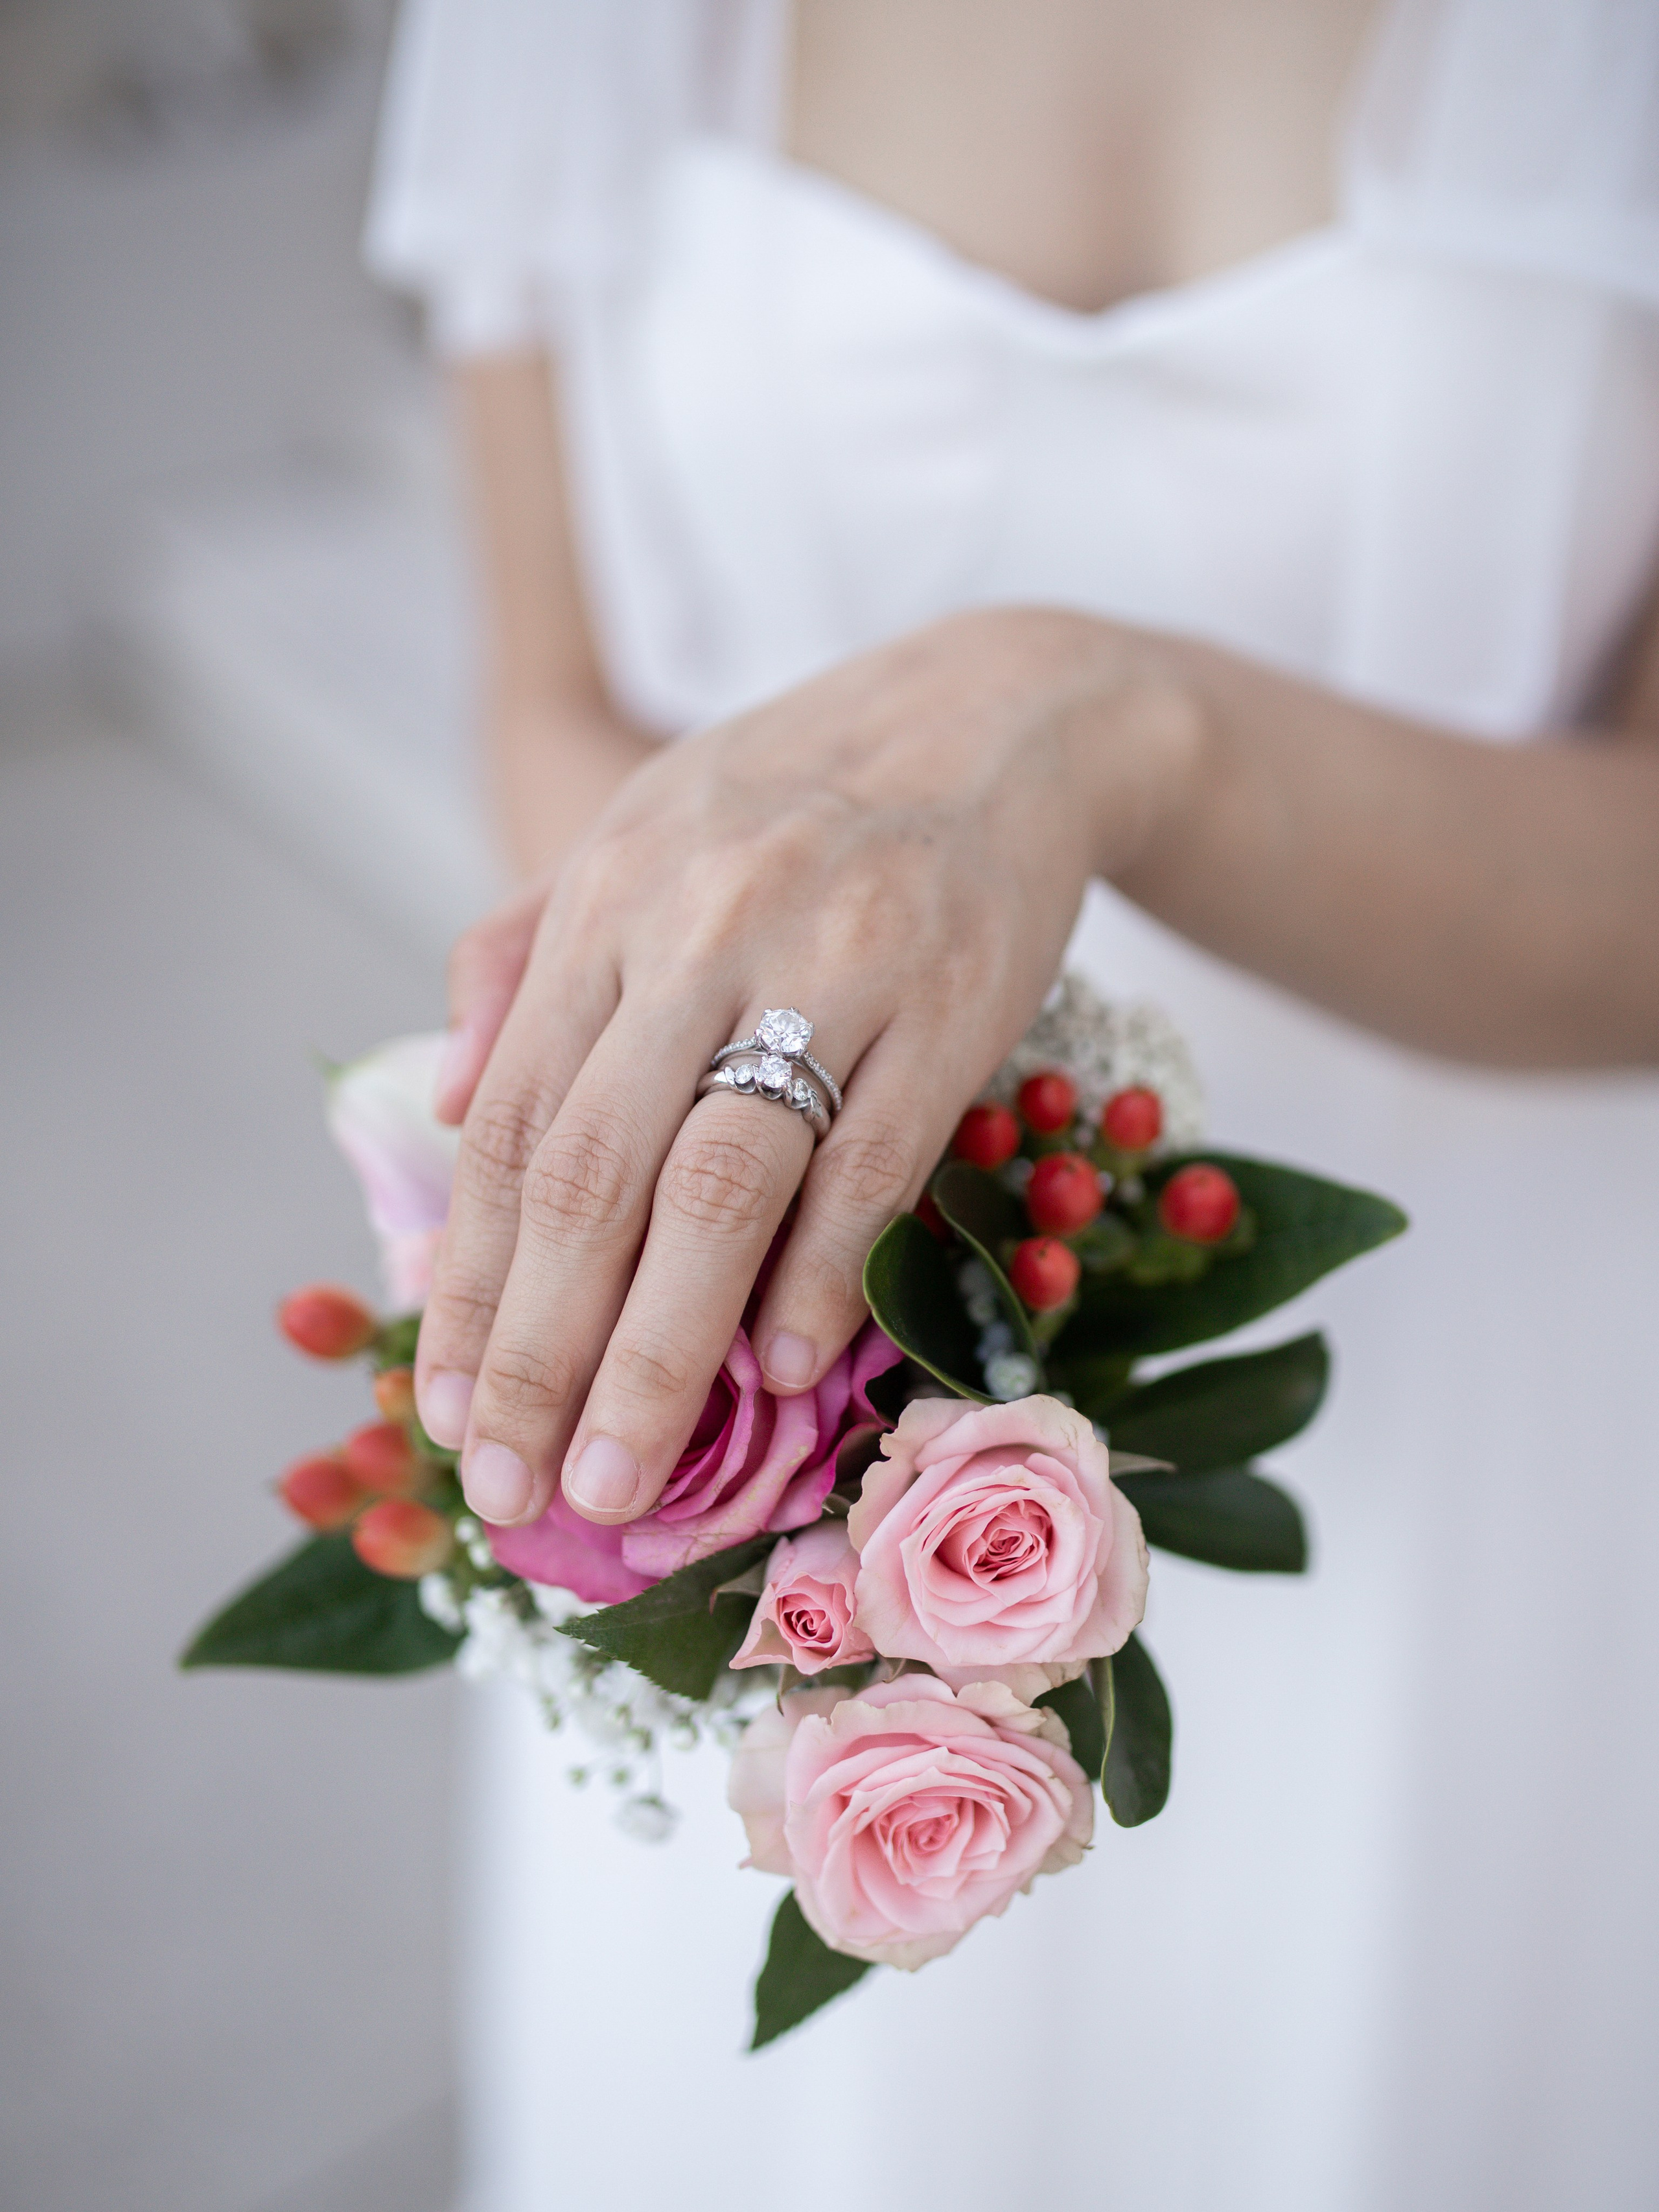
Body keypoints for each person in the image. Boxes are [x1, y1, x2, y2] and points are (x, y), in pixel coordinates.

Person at [365, 3, 1659, 2206]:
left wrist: (1105, 722)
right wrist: (805, 1269)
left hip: (1485, 1387)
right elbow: (553, 700)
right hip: (790, 1362)